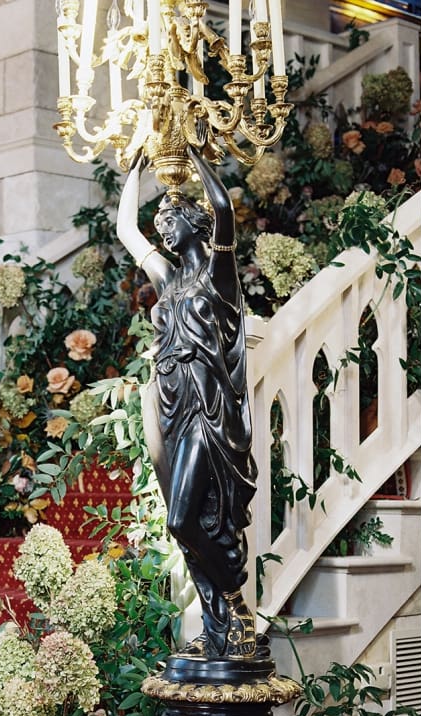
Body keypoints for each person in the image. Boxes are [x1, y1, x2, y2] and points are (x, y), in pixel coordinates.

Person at [118, 150, 260, 661]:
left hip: (206, 410)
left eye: (170, 220)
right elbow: (126, 231)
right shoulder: (168, 280)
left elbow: (223, 207)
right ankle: (218, 625)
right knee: (186, 526)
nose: (162, 230)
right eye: (159, 222)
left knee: (184, 518)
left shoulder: (216, 275)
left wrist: (192, 153)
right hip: (170, 406)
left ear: (194, 225)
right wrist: (134, 171)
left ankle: (236, 601)